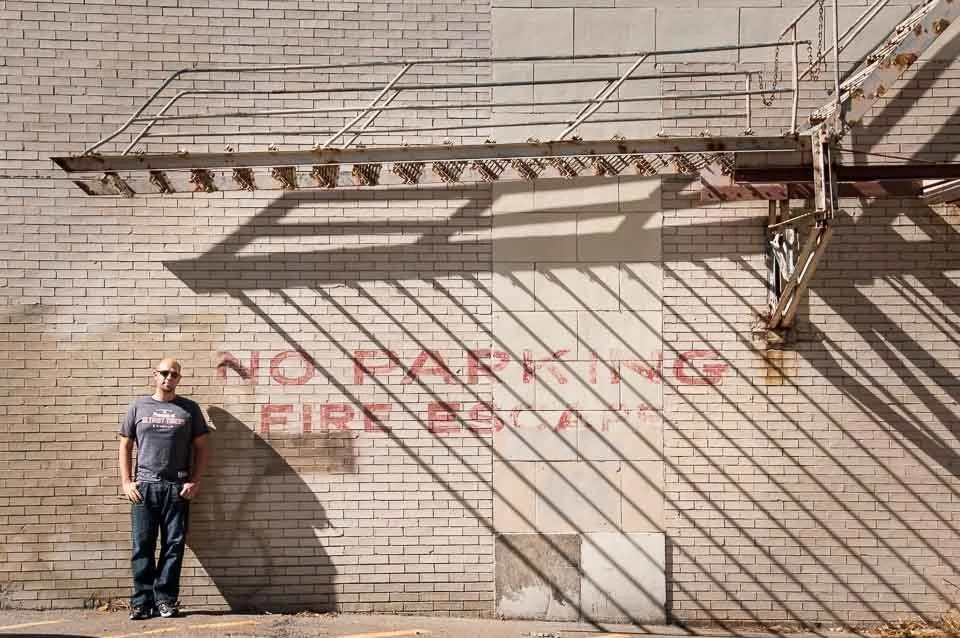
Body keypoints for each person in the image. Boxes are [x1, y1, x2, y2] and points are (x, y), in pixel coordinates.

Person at [119, 357, 210, 620]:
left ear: (179, 379)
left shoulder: (189, 409)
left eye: (174, 374)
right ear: (154, 375)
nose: (168, 378)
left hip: (176, 489)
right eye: (164, 373)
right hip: (144, 488)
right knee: (142, 546)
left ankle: (166, 600)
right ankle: (141, 602)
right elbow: (125, 446)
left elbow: (202, 448)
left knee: (173, 546)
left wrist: (195, 480)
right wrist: (126, 481)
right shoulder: (138, 407)